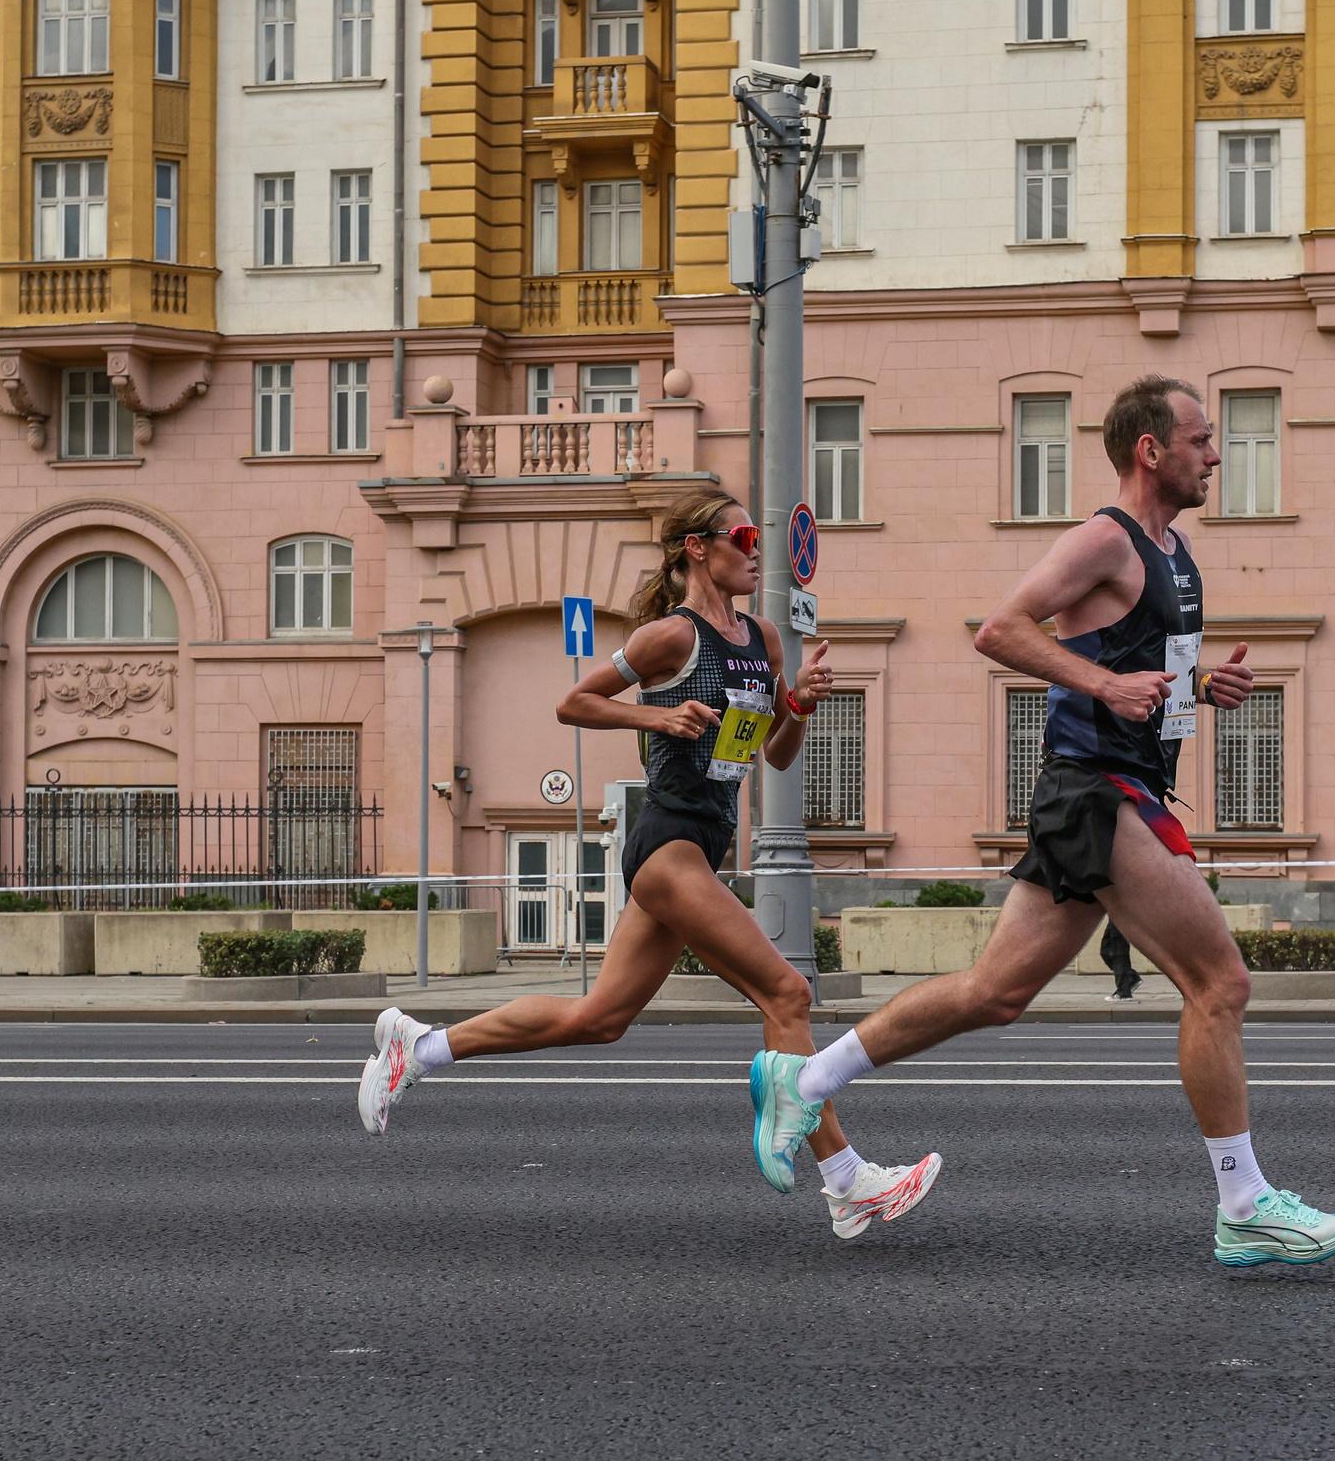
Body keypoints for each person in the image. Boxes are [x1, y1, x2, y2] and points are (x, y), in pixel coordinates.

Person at [744, 376, 1335, 1269]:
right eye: (1199, 439)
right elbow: (999, 630)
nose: (1214, 454)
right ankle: (1244, 1202)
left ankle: (806, 1080)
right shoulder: (1103, 541)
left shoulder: (1177, 555)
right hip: (1097, 791)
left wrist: (1197, 689)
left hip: (1118, 785)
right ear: (1150, 449)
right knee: (1219, 983)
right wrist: (1103, 685)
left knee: (995, 991)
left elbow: (1142, 676)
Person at [359, 492, 941, 1240]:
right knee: (786, 991)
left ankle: (420, 1048)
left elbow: (773, 756)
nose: (755, 547)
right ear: (697, 549)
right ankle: (847, 1178)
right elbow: (575, 702)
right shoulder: (672, 637)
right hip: (666, 843)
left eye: (758, 536)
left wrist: (797, 703)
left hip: (704, 844)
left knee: (598, 1019)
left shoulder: (762, 637)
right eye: (742, 535)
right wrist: (657, 715)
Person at [1098, 921, 1142, 1001]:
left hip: (1121, 917)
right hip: (1116, 917)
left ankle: (1123, 993)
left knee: (1117, 953)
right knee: (1107, 951)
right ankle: (1131, 978)